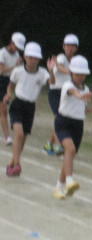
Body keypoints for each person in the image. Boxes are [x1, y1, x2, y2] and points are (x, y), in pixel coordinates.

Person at [52, 55, 92, 199]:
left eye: (83, 74)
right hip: (63, 122)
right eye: (77, 73)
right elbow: (73, 93)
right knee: (70, 149)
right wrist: (80, 96)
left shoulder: (86, 88)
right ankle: (69, 181)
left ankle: (59, 186)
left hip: (78, 124)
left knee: (70, 155)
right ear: (71, 73)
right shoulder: (67, 85)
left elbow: (83, 109)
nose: (81, 77)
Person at [3, 42, 55, 176]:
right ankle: (17, 164)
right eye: (30, 57)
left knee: (23, 138)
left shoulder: (42, 73)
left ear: (39, 59)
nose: (32, 60)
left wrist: (51, 71)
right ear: (25, 57)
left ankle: (12, 163)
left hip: (30, 107)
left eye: (35, 58)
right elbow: (11, 86)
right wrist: (8, 95)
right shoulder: (18, 71)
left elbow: (52, 82)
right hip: (17, 104)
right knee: (19, 134)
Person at [43, 33, 79, 156]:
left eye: (73, 46)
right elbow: (61, 68)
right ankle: (60, 145)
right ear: (63, 46)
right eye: (67, 45)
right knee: (60, 118)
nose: (70, 48)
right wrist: (72, 71)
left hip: (66, 93)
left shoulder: (75, 61)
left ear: (76, 48)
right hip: (56, 92)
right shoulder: (61, 58)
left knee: (62, 119)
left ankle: (49, 144)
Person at [0, 32, 26, 146]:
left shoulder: (16, 55)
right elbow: (1, 70)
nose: (17, 49)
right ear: (11, 43)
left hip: (9, 82)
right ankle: (7, 137)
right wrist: (15, 66)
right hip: (1, 80)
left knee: (3, 110)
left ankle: (7, 137)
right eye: (16, 46)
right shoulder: (2, 53)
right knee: (3, 110)